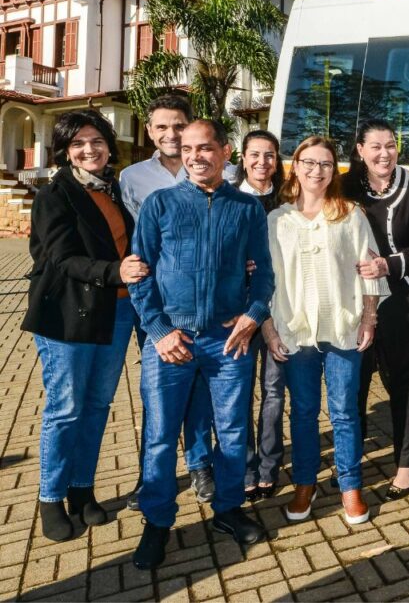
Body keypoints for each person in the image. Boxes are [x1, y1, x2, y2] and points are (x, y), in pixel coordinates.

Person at [129, 119, 274, 570]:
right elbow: (140, 274)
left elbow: (264, 275)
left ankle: (228, 509)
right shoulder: (160, 204)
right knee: (159, 435)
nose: (195, 156)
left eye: (205, 148)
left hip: (227, 341)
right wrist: (158, 331)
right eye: (187, 148)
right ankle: (157, 522)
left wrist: (252, 317)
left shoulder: (247, 209)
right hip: (171, 340)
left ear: (225, 151)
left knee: (232, 431)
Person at [22, 110, 149, 541]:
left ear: (109, 144)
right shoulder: (54, 194)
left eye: (96, 141)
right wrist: (116, 272)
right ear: (65, 150)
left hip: (116, 312)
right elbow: (60, 258)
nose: (89, 150)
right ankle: (50, 497)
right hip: (68, 316)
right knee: (66, 409)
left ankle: (82, 490)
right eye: (78, 144)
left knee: (96, 407)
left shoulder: (113, 189)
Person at [261, 136, 388, 525]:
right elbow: (265, 280)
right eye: (310, 162)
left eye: (326, 164)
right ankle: (304, 484)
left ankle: (350, 486)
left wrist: (369, 317)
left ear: (335, 171)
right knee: (301, 413)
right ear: (295, 166)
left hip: (343, 327)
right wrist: (268, 330)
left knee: (345, 412)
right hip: (294, 331)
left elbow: (368, 270)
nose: (317, 170)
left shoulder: (349, 214)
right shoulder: (276, 220)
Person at [120, 95, 227, 508]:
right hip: (156, 306)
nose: (170, 134)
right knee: (158, 394)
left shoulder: (216, 168)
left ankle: (200, 464)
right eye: (161, 127)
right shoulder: (131, 178)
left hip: (204, 308)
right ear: (149, 131)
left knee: (199, 388)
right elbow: (138, 242)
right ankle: (152, 476)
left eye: (178, 126)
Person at [344, 119, 409, 501]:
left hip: (402, 299)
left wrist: (389, 264)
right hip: (351, 302)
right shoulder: (343, 188)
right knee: (352, 385)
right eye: (375, 146)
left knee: (407, 382)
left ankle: (408, 463)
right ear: (360, 150)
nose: (384, 153)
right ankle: (351, 462)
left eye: (391, 145)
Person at [233, 130, 285, 501]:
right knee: (238, 392)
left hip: (280, 310)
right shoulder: (229, 199)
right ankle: (245, 465)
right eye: (255, 154)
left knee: (273, 391)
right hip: (238, 313)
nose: (262, 162)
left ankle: (269, 465)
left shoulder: (288, 201)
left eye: (269, 155)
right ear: (243, 157)